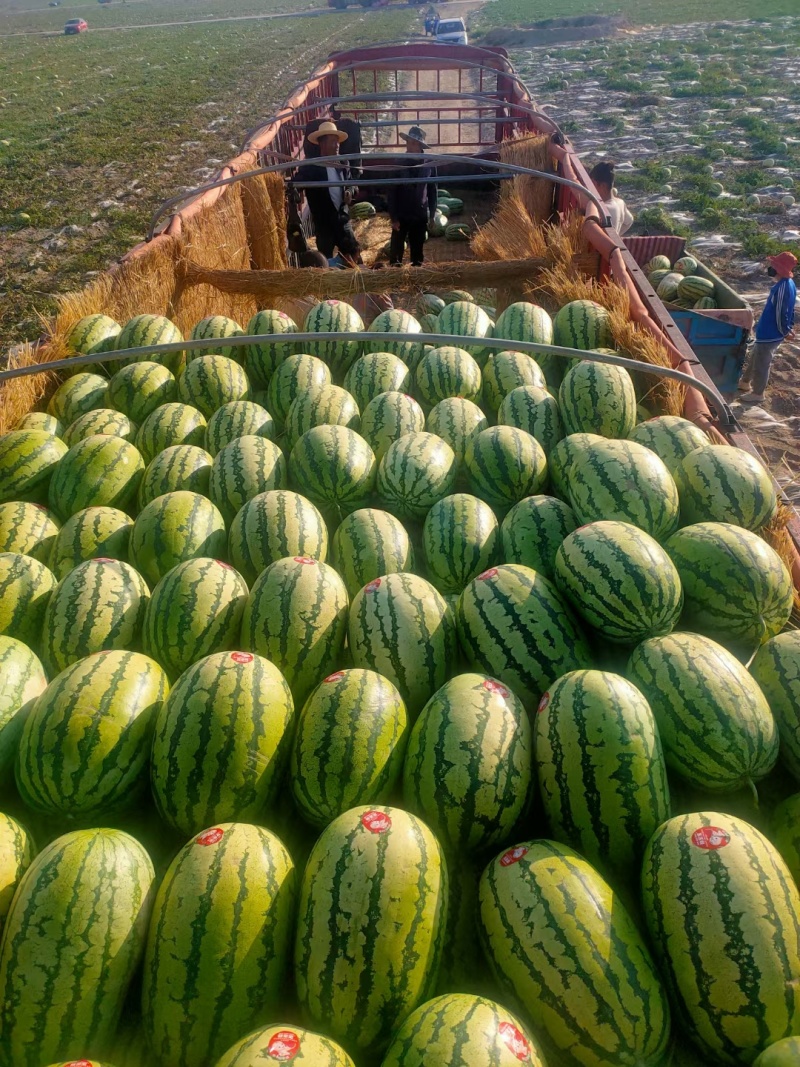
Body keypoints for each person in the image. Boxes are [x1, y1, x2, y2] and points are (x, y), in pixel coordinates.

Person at [294, 121, 361, 262]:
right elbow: (296, 184)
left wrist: (349, 191)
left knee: (354, 256)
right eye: (332, 142)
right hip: (324, 224)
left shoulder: (344, 163)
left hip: (342, 219)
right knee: (325, 261)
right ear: (322, 144)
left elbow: (352, 184)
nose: (337, 145)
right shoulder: (311, 168)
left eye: (337, 142)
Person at [738, 251, 797, 404]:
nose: (770, 269)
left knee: (762, 364)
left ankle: (758, 394)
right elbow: (789, 310)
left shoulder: (783, 287)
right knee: (755, 356)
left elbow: (781, 312)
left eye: (773, 266)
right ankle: (745, 382)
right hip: (766, 331)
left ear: (779, 269)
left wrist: (785, 330)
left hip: (771, 333)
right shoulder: (786, 284)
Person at [388, 125, 437, 268]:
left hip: (419, 213)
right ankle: (394, 280)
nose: (410, 146)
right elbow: (392, 192)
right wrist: (393, 218)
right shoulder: (399, 163)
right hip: (402, 214)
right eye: (409, 142)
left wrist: (432, 213)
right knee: (396, 253)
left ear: (420, 145)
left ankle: (416, 283)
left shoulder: (429, 163)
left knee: (417, 253)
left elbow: (433, 189)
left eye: (414, 143)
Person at [588, 161, 634, 236]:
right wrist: (616, 236)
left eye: (592, 184)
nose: (589, 188)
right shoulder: (620, 203)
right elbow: (629, 221)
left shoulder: (603, 209)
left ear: (602, 186)